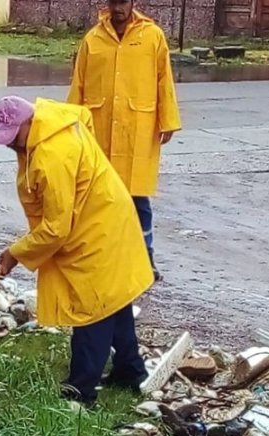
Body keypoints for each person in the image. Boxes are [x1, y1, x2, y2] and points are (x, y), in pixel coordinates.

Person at [0, 95, 153, 407]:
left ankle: (81, 390)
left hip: (97, 230)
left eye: (13, 137)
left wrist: (17, 252)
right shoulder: (49, 127)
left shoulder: (53, 154)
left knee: (90, 308)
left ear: (28, 122)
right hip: (104, 217)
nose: (10, 145)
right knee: (114, 299)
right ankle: (130, 371)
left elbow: (56, 227)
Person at [67, 0, 181, 281]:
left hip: (136, 132)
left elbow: (163, 80)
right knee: (99, 200)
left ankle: (146, 258)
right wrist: (71, 125)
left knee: (137, 199)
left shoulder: (152, 36)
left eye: (123, 2)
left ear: (132, 4)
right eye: (114, 2)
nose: (118, 8)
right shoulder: (93, 40)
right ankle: (102, 259)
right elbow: (78, 85)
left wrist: (168, 121)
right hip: (99, 133)